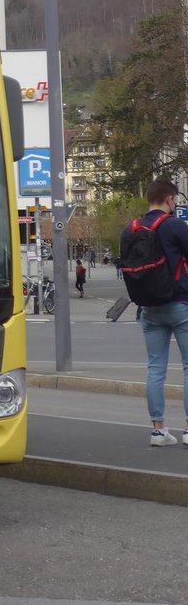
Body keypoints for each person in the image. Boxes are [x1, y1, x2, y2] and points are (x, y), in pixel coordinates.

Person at [121, 179, 188, 447]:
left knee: (155, 369)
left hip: (148, 308)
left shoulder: (131, 229)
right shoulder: (173, 225)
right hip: (180, 304)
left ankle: (158, 431)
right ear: (170, 199)